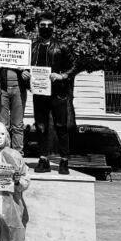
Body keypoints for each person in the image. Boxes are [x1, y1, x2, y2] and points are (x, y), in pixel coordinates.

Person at [24, 12, 76, 174]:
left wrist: (62, 75)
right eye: (42, 25)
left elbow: (74, 65)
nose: (46, 28)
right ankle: (43, 159)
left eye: (49, 25)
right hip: (39, 93)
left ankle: (64, 160)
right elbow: (25, 67)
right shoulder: (32, 47)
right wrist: (25, 74)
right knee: (41, 127)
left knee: (61, 126)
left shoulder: (62, 46)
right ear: (37, 27)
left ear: (54, 27)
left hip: (58, 93)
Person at [0, 10, 28, 151]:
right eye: (6, 20)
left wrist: (27, 71)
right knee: (3, 126)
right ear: (2, 20)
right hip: (1, 87)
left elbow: (29, 63)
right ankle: (3, 154)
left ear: (16, 23)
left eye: (11, 21)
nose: (8, 23)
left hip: (18, 87)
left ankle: (18, 155)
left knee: (18, 125)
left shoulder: (22, 40)